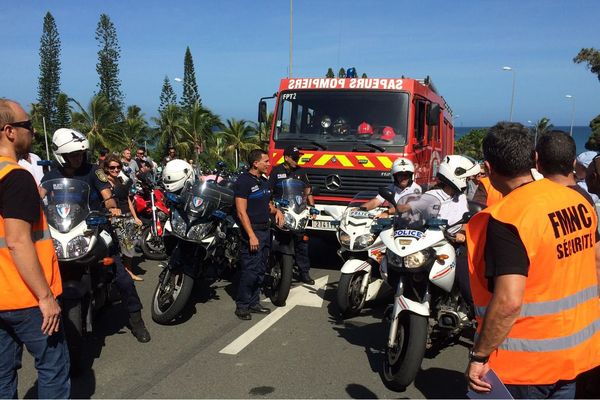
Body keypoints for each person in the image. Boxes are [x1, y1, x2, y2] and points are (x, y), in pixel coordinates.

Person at [465, 122, 600, 399]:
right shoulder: (577, 202)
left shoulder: (508, 218)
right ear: (534, 160)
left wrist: (479, 356)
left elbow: (508, 301)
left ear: (488, 169)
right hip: (574, 355)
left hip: (526, 366)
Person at [41, 128, 151, 343]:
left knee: (122, 276)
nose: (78, 158)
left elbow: (107, 195)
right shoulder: (51, 176)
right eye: (73, 154)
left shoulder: (93, 171)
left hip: (94, 228)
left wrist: (111, 208)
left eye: (80, 153)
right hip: (63, 232)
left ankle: (137, 319)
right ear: (60, 156)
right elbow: (40, 196)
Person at [0, 99, 70, 398]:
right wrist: (45, 297)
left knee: (2, 373)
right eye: (27, 125)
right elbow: (17, 241)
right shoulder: (16, 177)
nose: (32, 132)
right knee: (53, 367)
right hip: (25, 295)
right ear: (9, 132)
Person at [234, 149, 283, 320]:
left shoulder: (263, 181)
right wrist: (251, 235)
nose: (269, 164)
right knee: (250, 270)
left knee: (261, 269)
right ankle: (242, 305)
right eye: (266, 161)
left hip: (265, 230)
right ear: (256, 163)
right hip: (252, 231)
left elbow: (266, 205)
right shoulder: (243, 181)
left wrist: (277, 211)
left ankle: (254, 303)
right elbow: (241, 212)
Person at [268, 145, 317, 284]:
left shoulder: (301, 171)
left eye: (298, 157)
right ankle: (273, 266)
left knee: (301, 242)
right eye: (294, 157)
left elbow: (308, 190)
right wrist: (271, 206)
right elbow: (269, 191)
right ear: (287, 157)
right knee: (276, 239)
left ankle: (304, 272)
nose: (297, 160)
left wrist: (312, 207)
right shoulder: (276, 171)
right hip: (281, 211)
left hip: (297, 211)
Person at [104, 154, 144, 281]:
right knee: (125, 245)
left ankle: (128, 270)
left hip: (127, 215)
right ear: (106, 168)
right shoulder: (104, 183)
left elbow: (127, 199)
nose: (116, 170)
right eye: (112, 167)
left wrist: (135, 216)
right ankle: (123, 271)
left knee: (131, 244)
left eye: (118, 167)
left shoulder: (120, 180)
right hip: (116, 218)